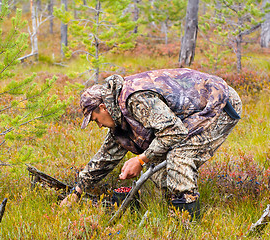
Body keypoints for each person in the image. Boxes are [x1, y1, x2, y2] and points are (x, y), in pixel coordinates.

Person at [60, 68, 242, 216]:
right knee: (157, 163)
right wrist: (76, 192)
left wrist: (140, 160)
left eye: (95, 119)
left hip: (219, 102)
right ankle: (174, 210)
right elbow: (105, 158)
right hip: (190, 114)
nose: (99, 125)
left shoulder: (134, 99)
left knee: (179, 156)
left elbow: (174, 131)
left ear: (103, 107)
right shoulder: (118, 116)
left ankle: (187, 226)